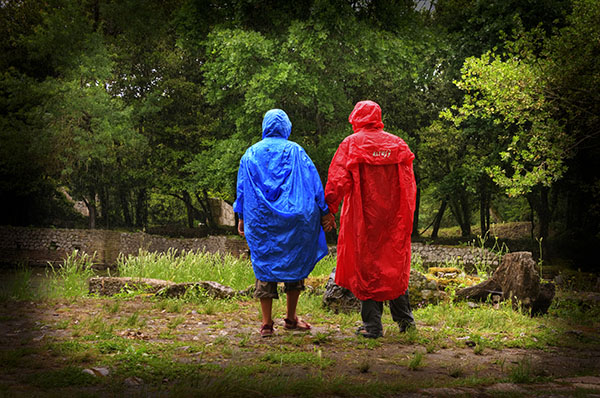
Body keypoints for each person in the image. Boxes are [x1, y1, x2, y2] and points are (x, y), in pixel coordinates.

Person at [234, 109, 335, 338]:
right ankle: (290, 318)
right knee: (294, 263)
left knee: (264, 264)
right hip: (296, 219)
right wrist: (325, 211)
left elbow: (242, 190)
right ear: (286, 126)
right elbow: (314, 183)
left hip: (262, 221)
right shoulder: (297, 151)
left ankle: (267, 323)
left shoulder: (250, 154)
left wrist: (241, 216)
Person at [324, 100, 417, 338]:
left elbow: (337, 181)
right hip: (394, 217)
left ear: (356, 118)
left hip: (363, 218)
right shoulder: (397, 144)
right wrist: (405, 217)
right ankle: (406, 322)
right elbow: (409, 185)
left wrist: (329, 210)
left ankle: (373, 326)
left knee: (367, 267)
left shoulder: (351, 144)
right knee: (394, 265)